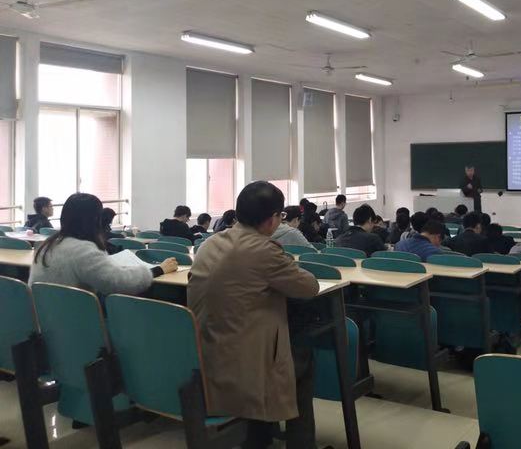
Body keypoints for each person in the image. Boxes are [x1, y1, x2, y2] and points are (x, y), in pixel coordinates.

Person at [188, 181, 320, 449]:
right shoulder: (263, 250)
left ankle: (261, 435)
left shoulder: (210, 243)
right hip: (242, 369)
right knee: (303, 356)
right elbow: (309, 287)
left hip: (205, 358)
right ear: (273, 219)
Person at [29, 193, 177, 294]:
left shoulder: (47, 246)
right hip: (76, 324)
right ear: (95, 219)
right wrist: (159, 270)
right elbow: (118, 283)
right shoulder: (83, 251)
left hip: (46, 321)